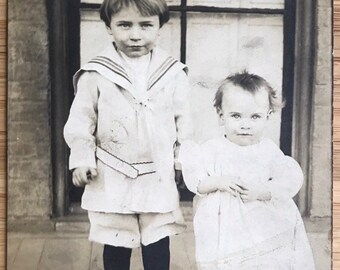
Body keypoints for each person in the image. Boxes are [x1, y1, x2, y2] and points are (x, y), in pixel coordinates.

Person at [63, 0, 192, 269]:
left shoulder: (172, 73)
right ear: (109, 27)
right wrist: (82, 158)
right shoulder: (96, 73)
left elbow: (185, 122)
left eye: (145, 25)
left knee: (157, 238)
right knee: (117, 240)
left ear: (159, 27)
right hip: (112, 172)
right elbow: (81, 120)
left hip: (157, 171)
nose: (135, 35)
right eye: (124, 25)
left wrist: (183, 161)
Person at [179, 71, 315, 269]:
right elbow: (197, 182)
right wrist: (219, 181)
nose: (245, 125)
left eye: (255, 117)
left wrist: (264, 191)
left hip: (261, 224)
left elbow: (290, 179)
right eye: (236, 116)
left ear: (267, 116)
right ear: (221, 116)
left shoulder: (268, 151)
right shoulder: (212, 149)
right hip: (223, 226)